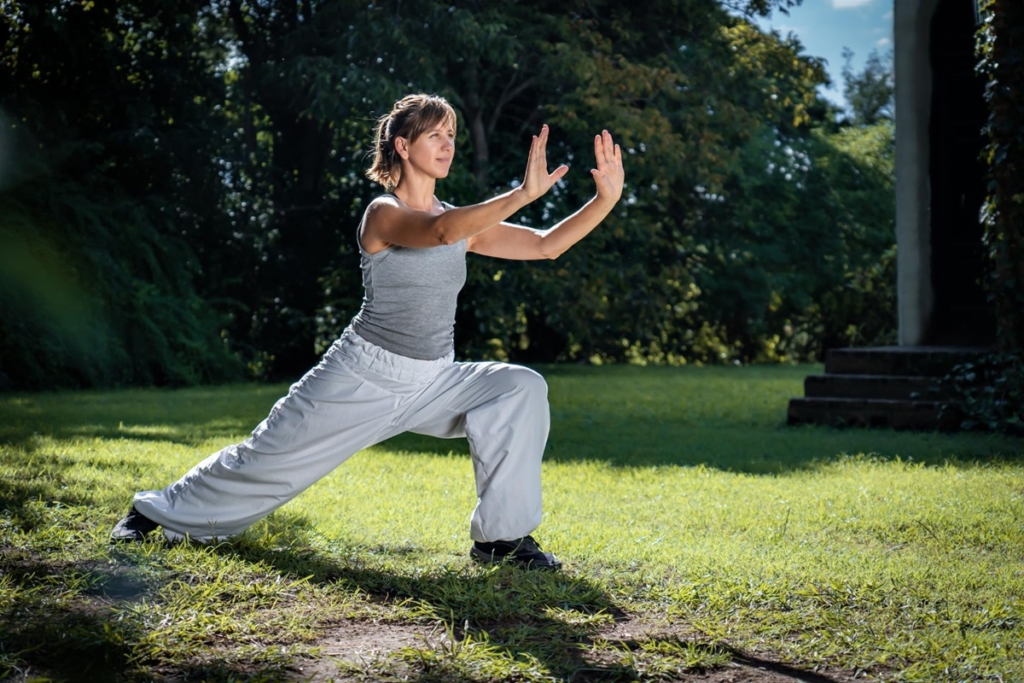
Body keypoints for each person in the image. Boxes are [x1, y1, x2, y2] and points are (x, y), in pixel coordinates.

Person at [111, 93, 624, 570]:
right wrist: (522, 193)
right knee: (265, 459)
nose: (448, 145)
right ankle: (154, 514)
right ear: (403, 146)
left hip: (433, 379)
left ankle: (501, 539)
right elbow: (439, 234)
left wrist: (604, 201)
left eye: (451, 135)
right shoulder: (384, 213)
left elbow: (544, 245)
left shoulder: (458, 219)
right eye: (435, 135)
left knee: (520, 387)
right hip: (363, 375)